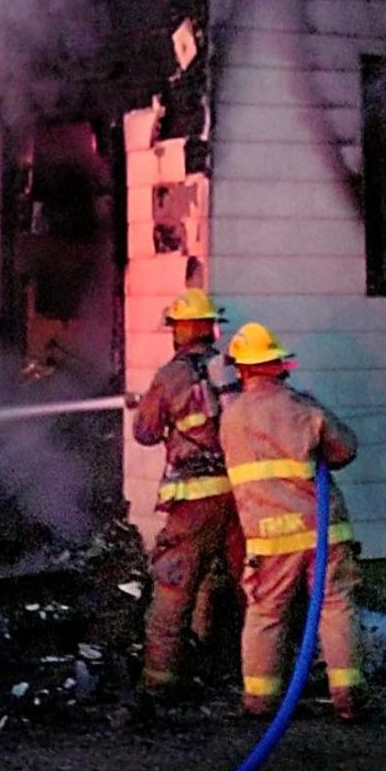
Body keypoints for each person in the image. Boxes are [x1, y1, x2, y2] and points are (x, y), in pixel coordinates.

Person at [220, 321, 362, 721]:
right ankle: (348, 698)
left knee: (266, 614)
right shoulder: (302, 408)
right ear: (278, 364)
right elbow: (345, 450)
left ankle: (259, 701)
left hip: (268, 538)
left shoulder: (231, 417)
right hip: (321, 530)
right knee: (335, 607)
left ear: (242, 369)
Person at [131, 267, 243, 699]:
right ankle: (256, 672)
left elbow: (145, 433)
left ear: (180, 330)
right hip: (240, 494)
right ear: (211, 328)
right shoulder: (230, 369)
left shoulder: (170, 375)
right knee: (251, 587)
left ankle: (160, 680)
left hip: (194, 500)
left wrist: (151, 407)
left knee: (174, 585)